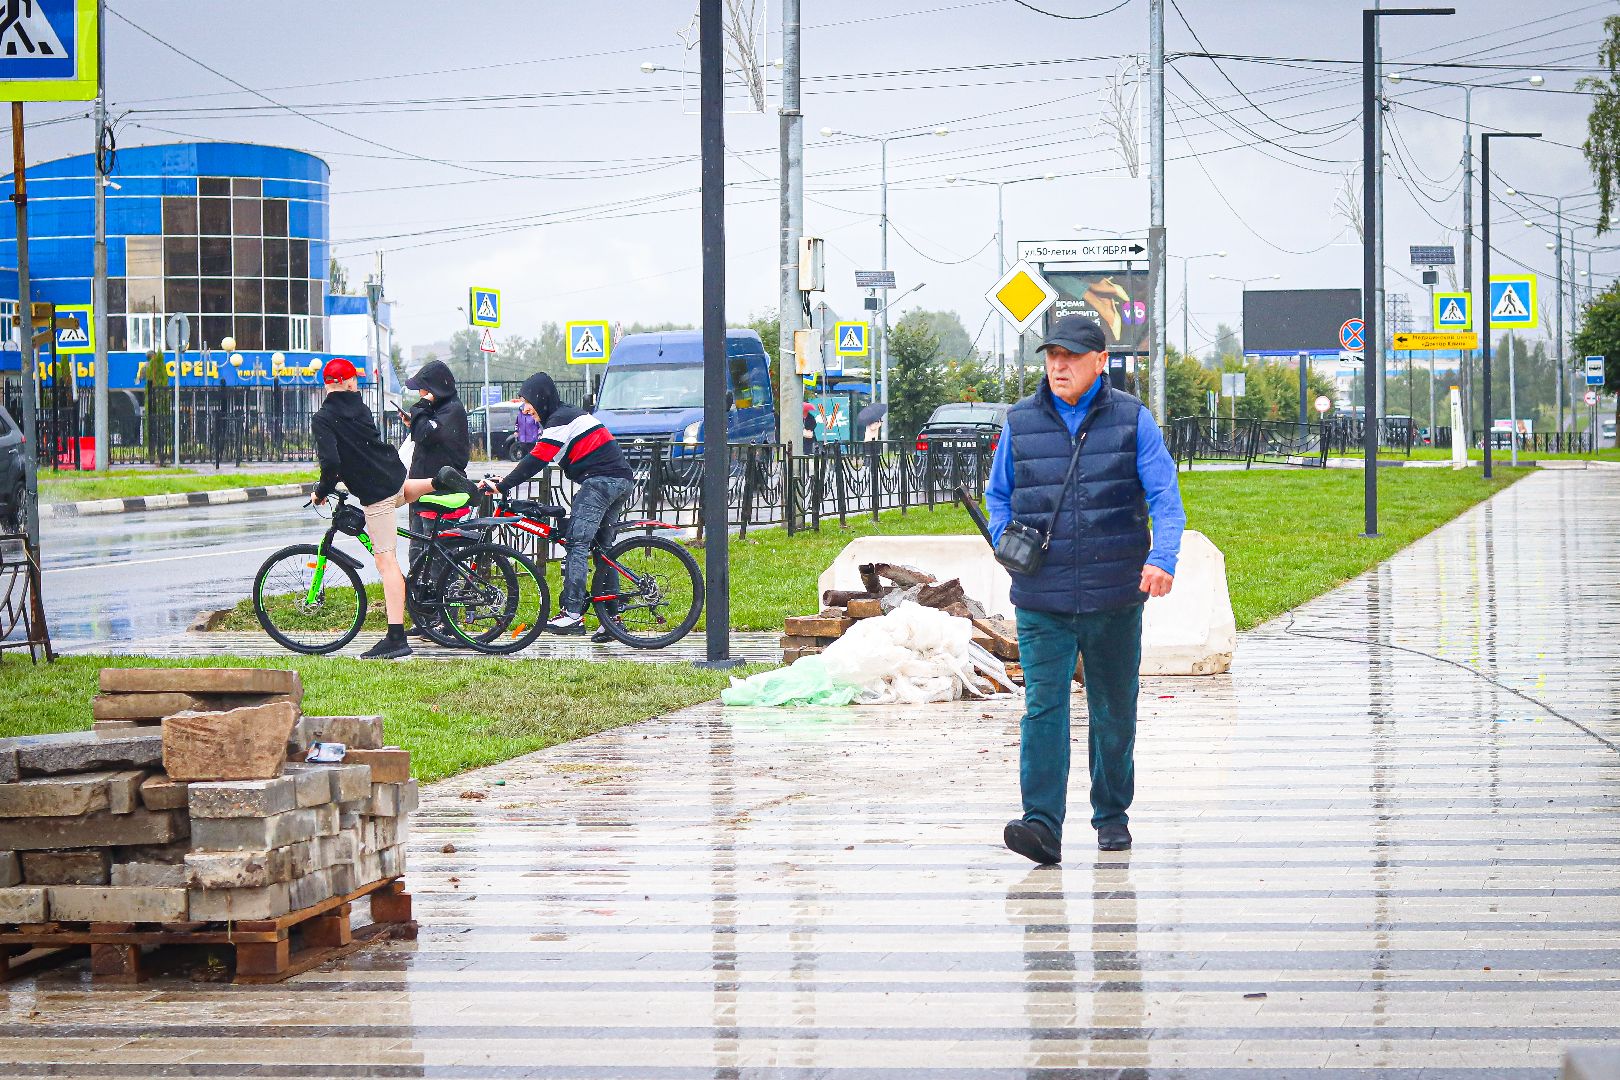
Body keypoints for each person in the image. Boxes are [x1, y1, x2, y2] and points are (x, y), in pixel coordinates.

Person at [985, 314, 1185, 860]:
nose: (1058, 366)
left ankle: (1112, 815)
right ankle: (1041, 825)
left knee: (1113, 711)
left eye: (1070, 356)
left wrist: (1162, 558)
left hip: (1114, 593)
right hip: (1041, 596)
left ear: (1101, 362)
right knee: (1043, 708)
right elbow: (998, 494)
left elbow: (1165, 498)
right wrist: (1006, 540)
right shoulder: (1021, 421)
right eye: (1052, 356)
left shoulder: (1133, 420)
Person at [478, 372, 636, 637]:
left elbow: (537, 459)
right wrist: (505, 480)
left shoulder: (560, 419)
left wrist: (503, 486)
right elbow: (537, 455)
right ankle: (613, 620)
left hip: (601, 481)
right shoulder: (564, 416)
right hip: (618, 479)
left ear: (541, 398)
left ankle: (572, 614)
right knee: (602, 549)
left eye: (527, 402)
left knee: (577, 543)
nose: (524, 409)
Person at [311, 358, 438, 659]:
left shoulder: (324, 418)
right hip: (395, 476)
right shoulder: (361, 408)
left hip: (376, 492)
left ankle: (396, 638)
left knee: (386, 562)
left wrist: (321, 491)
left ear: (327, 384)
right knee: (403, 493)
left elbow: (332, 463)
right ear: (349, 382)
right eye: (354, 379)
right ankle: (438, 481)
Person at [398, 360, 470, 586]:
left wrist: (420, 408)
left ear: (434, 390)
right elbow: (426, 433)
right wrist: (415, 421)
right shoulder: (439, 409)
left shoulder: (452, 410)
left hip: (440, 491)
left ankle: (446, 603)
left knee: (440, 557)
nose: (420, 394)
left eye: (423, 389)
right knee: (418, 552)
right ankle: (422, 601)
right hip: (422, 490)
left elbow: (427, 434)